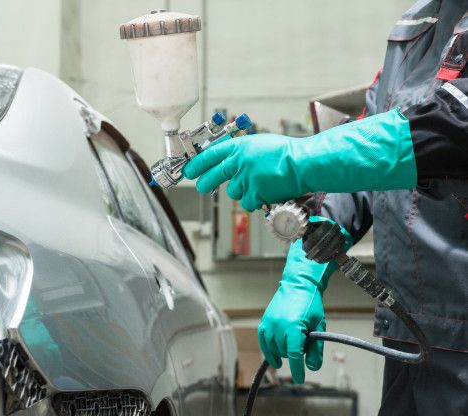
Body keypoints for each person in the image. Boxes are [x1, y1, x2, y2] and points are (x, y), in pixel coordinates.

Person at [183, 1, 468, 414]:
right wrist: (305, 274)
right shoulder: (417, 25)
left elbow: (452, 124)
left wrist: (299, 159)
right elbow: (367, 156)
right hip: (411, 338)